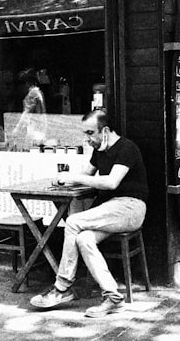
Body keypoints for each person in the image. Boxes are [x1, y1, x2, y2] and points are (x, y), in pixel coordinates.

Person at [29, 109, 149, 318]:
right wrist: (65, 178)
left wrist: (76, 178)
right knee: (84, 239)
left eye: (90, 133)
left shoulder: (126, 148)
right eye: (85, 134)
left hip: (131, 207)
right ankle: (113, 297)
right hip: (112, 209)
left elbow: (111, 182)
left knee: (73, 222)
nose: (87, 139)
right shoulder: (100, 150)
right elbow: (86, 174)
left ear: (105, 131)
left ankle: (62, 288)